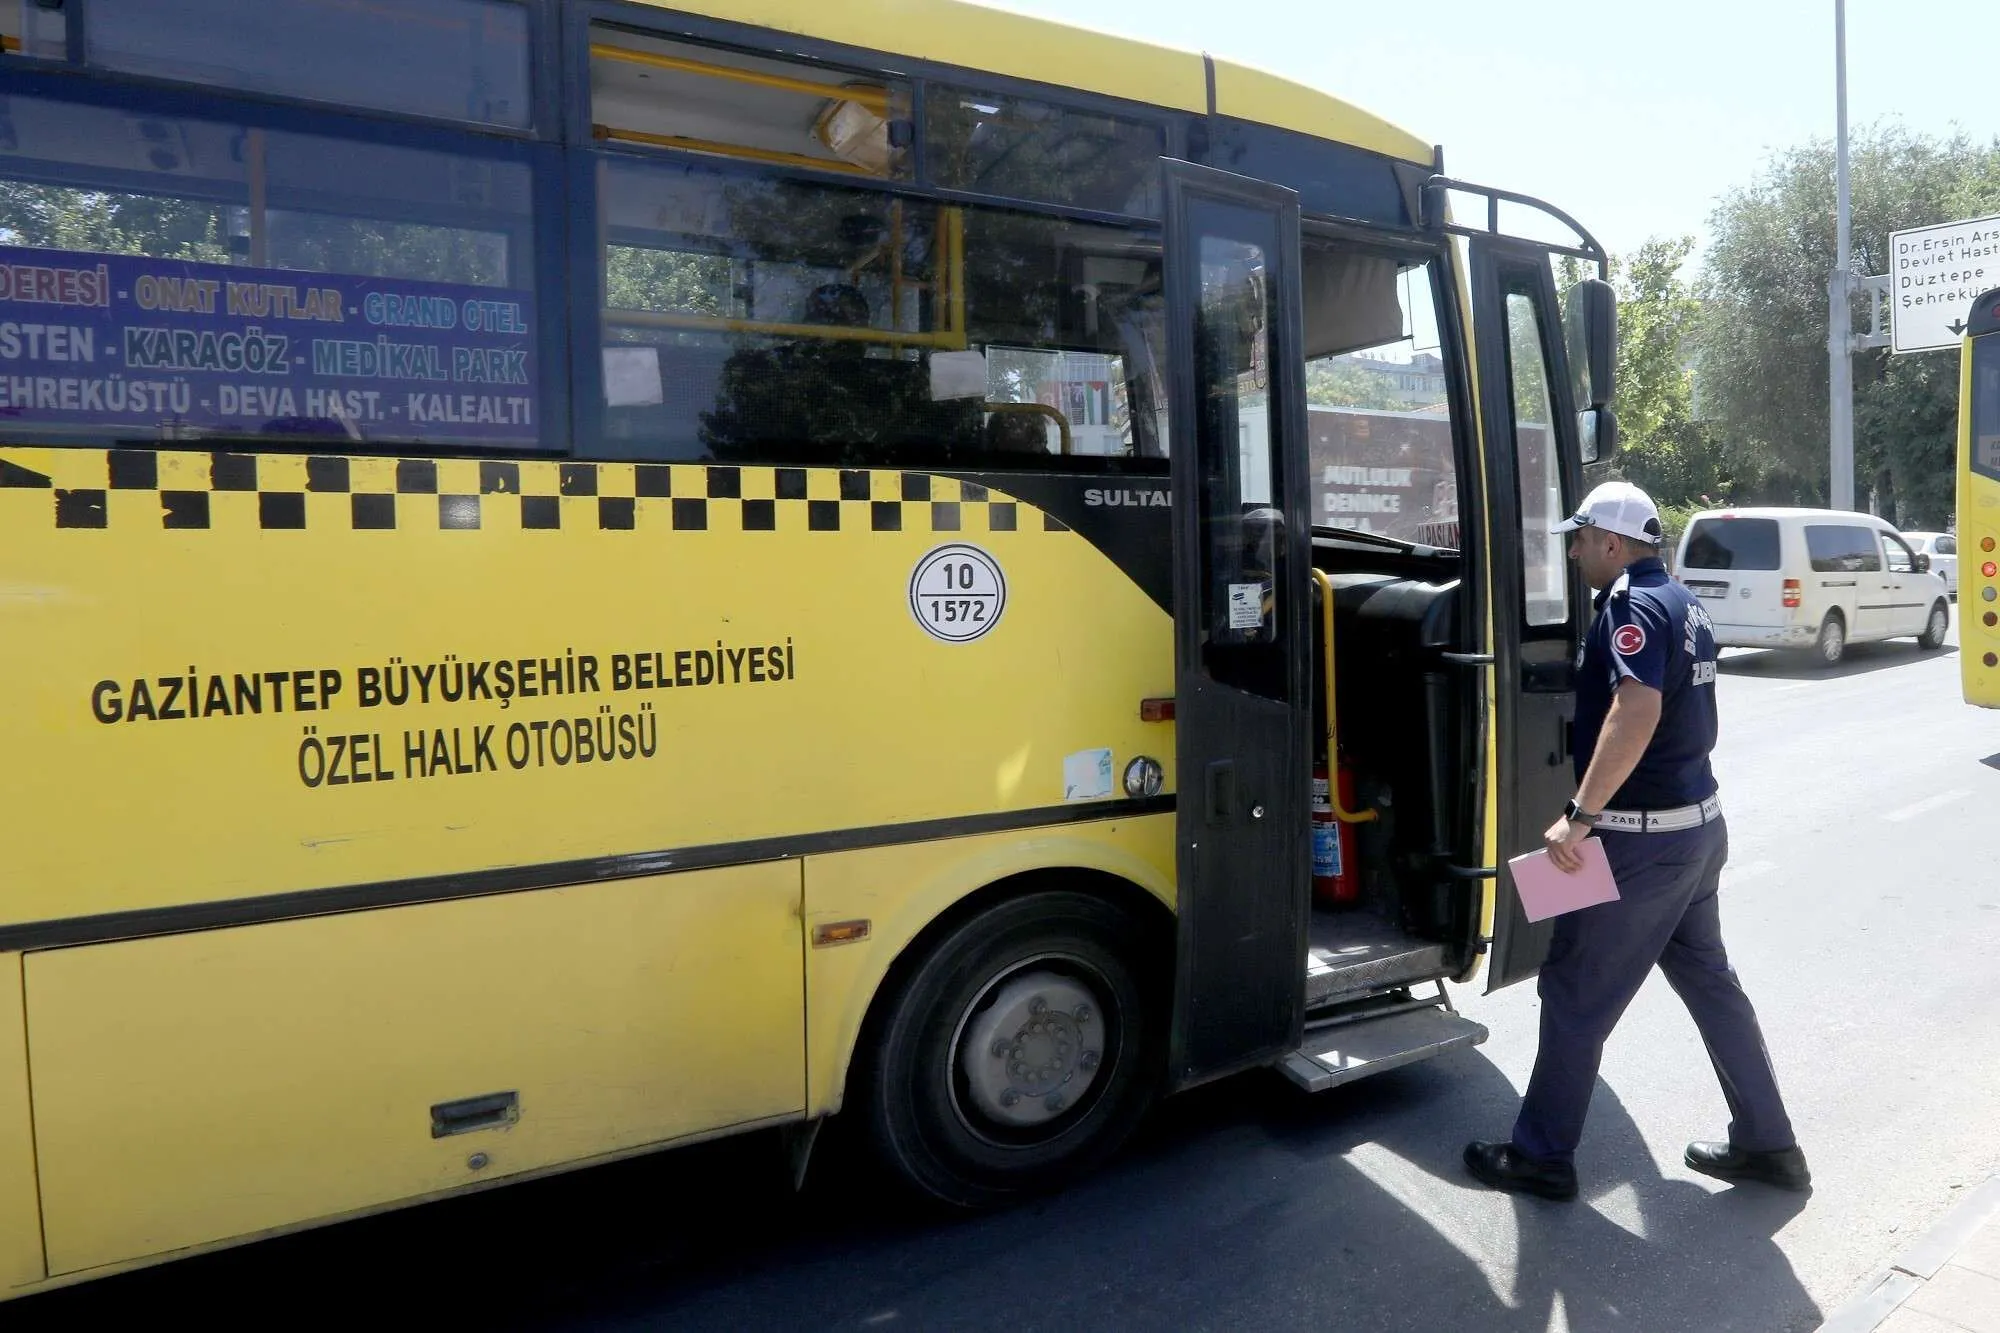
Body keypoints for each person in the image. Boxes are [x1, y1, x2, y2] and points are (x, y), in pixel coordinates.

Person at [1464, 480, 1808, 1202]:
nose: (1575, 551)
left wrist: (1580, 813)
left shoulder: (1629, 605)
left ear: (1613, 544)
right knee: (1711, 984)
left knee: (1573, 992)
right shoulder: (1682, 602)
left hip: (1637, 844)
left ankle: (1541, 1156)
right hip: (1695, 831)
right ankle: (1769, 1143)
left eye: (1582, 539)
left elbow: (1639, 708)